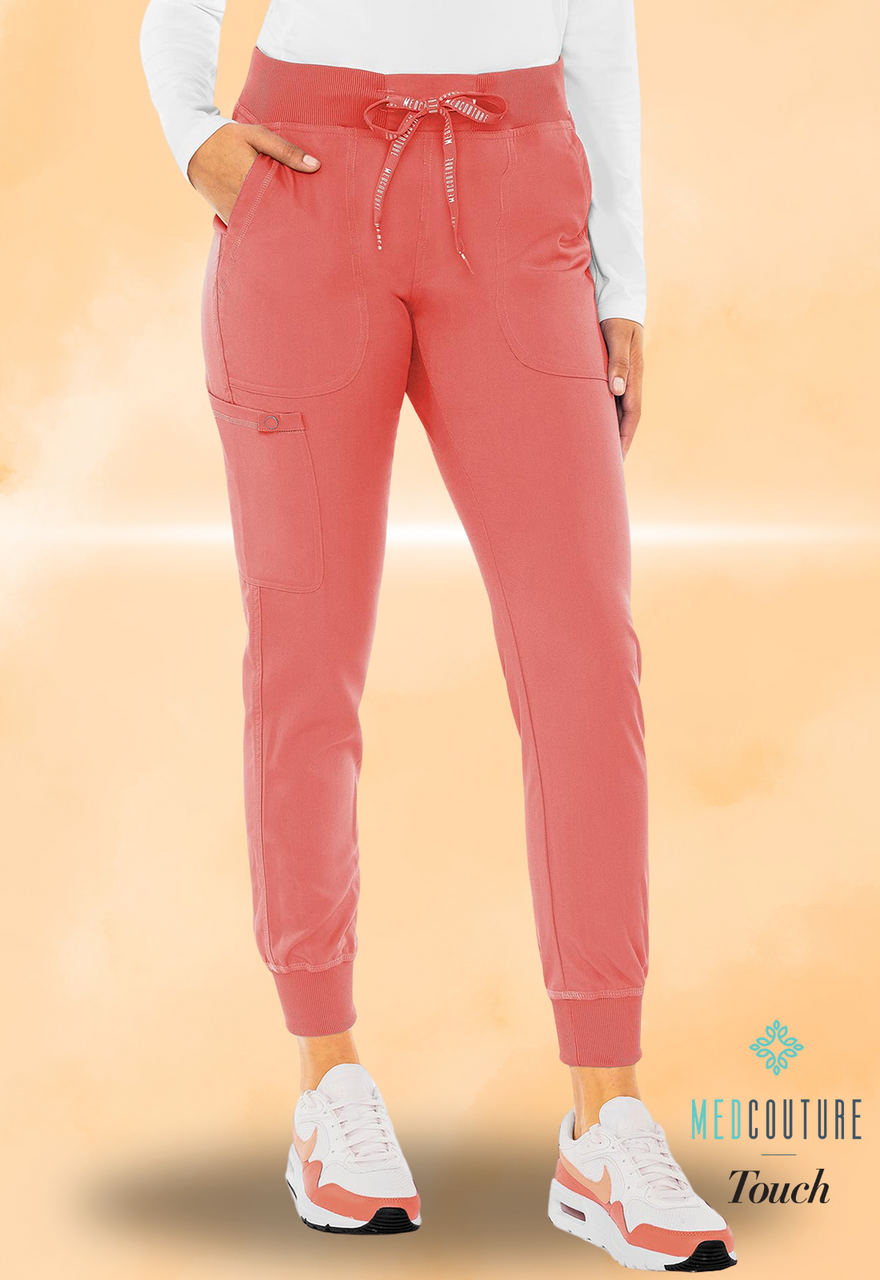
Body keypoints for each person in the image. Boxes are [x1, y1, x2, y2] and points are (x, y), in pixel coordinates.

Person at [139, 0, 736, 1267]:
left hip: (522, 207)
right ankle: (328, 1078)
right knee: (305, 656)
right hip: (303, 189)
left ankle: (605, 1117)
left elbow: (599, 34)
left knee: (586, 658)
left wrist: (623, 281)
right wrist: (191, 133)